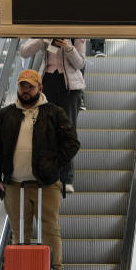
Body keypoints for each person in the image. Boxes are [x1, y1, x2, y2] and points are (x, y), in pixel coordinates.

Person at [0, 69, 80, 270]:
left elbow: (72, 142)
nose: (25, 90)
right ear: (18, 88)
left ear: (40, 87)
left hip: (46, 183)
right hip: (14, 184)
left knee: (50, 228)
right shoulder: (7, 114)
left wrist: (53, 163)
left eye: (30, 86)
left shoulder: (54, 113)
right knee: (20, 232)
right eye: (22, 86)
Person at [19, 38, 87, 191]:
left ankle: (66, 178)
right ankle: (46, 174)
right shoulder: (44, 29)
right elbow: (23, 52)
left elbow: (80, 63)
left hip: (69, 87)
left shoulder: (76, 33)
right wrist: (42, 38)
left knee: (67, 131)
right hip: (47, 82)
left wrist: (68, 47)